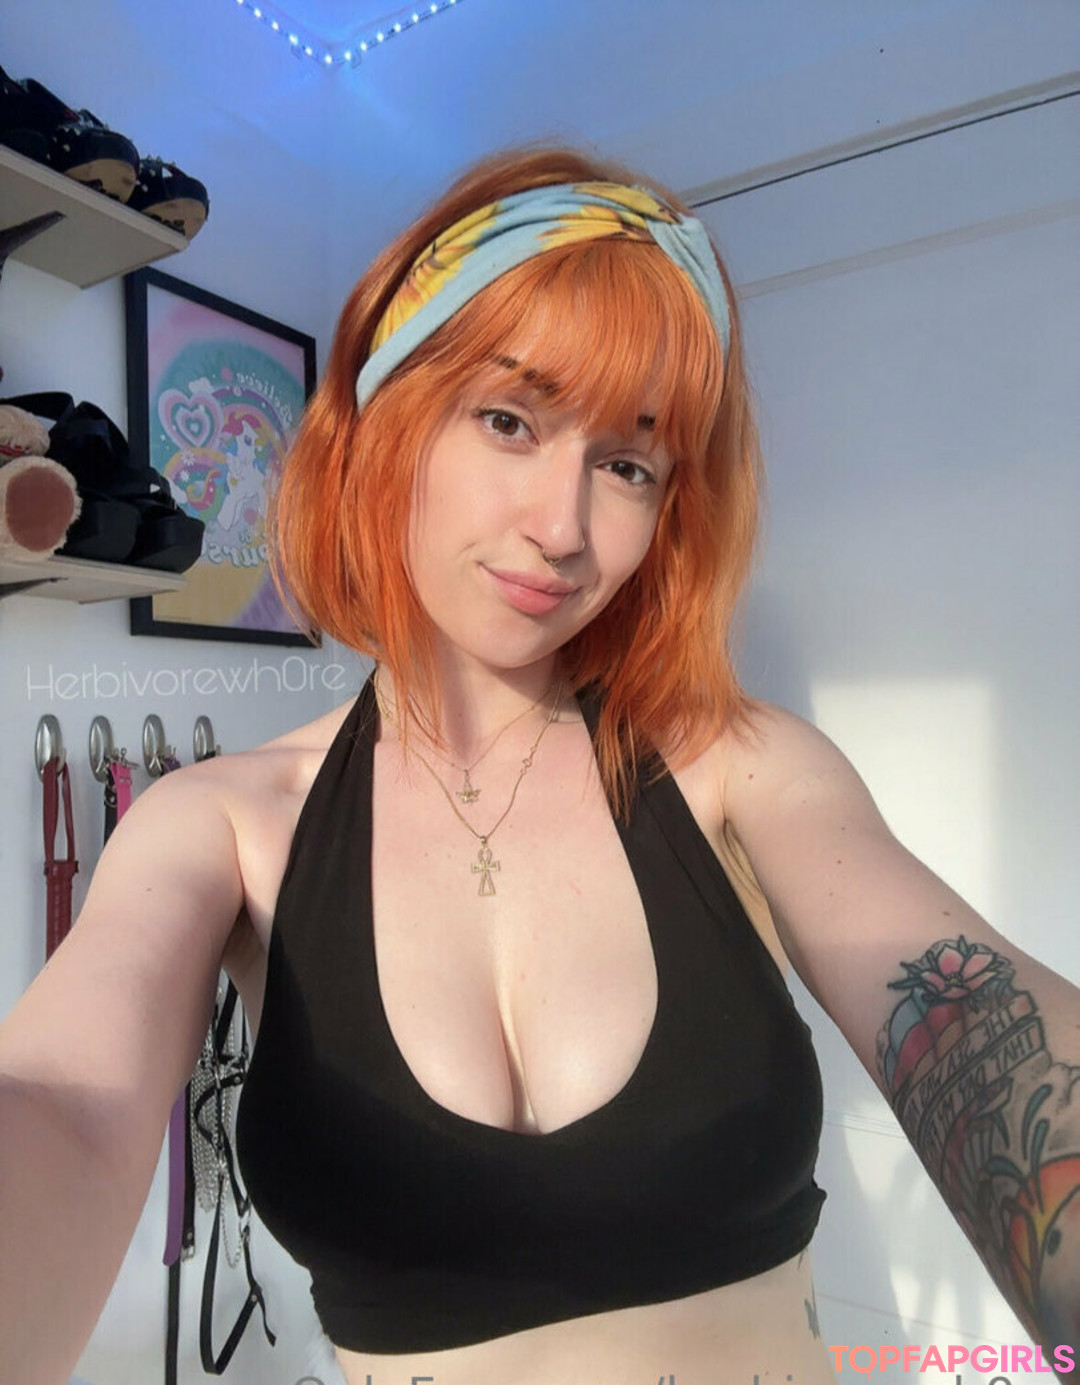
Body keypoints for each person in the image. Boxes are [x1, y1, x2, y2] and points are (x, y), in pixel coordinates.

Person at [1, 146, 1078, 1385]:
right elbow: (65, 1103)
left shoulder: (743, 769)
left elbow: (974, 1021)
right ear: (386, 421)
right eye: (509, 419)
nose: (564, 528)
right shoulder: (221, 826)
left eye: (628, 464)